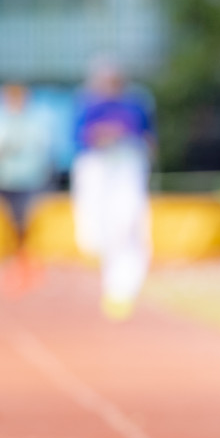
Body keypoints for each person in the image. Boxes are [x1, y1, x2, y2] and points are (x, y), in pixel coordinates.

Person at [71, 62, 154, 322]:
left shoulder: (137, 103)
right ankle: (113, 279)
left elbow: (147, 138)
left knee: (127, 227)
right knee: (96, 236)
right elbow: (82, 139)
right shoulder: (86, 104)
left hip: (127, 169)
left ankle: (122, 289)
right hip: (98, 171)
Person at [0, 83, 54, 295]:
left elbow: (45, 149)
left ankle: (24, 258)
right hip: (3, 178)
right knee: (8, 220)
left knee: (25, 219)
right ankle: (13, 259)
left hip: (29, 178)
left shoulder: (35, 122)